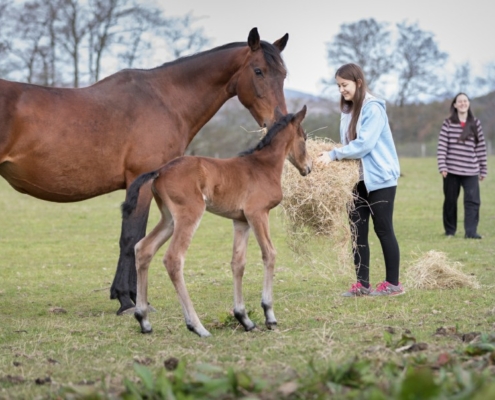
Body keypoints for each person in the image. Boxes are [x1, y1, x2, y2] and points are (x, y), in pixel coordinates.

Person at [316, 63, 403, 297]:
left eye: (344, 85)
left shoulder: (373, 108)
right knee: (357, 231)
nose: (341, 90)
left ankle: (393, 284)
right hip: (355, 181)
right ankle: (362, 285)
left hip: (380, 179)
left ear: (359, 83)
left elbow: (364, 144)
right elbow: (347, 145)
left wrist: (334, 155)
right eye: (338, 86)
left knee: (384, 229)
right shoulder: (347, 112)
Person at [437, 93, 488, 239]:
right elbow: (442, 146)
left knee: (472, 201)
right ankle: (450, 231)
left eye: (465, 101)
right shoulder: (448, 123)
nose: (463, 103)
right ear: (454, 104)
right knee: (450, 201)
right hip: (451, 170)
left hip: (471, 170)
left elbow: (481, 148)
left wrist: (483, 168)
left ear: (469, 104)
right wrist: (442, 166)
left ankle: (471, 232)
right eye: (460, 101)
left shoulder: (475, 123)